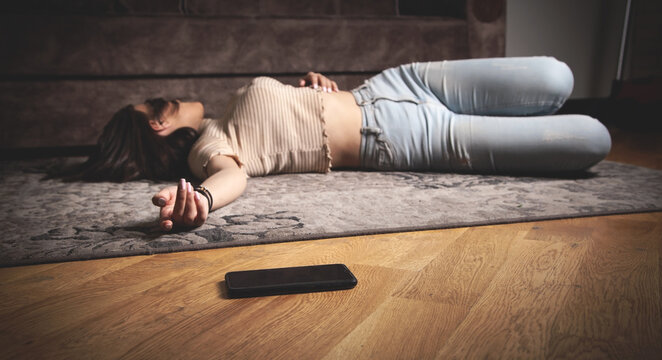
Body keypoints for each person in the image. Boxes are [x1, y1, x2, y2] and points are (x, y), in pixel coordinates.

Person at [75, 57, 612, 231]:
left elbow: (287, 115)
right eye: (156, 105)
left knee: (556, 78)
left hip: (396, 86)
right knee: (591, 138)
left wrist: (310, 87)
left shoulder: (227, 109)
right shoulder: (206, 147)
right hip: (402, 138)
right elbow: (230, 175)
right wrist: (203, 200)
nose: (167, 98)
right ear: (157, 127)